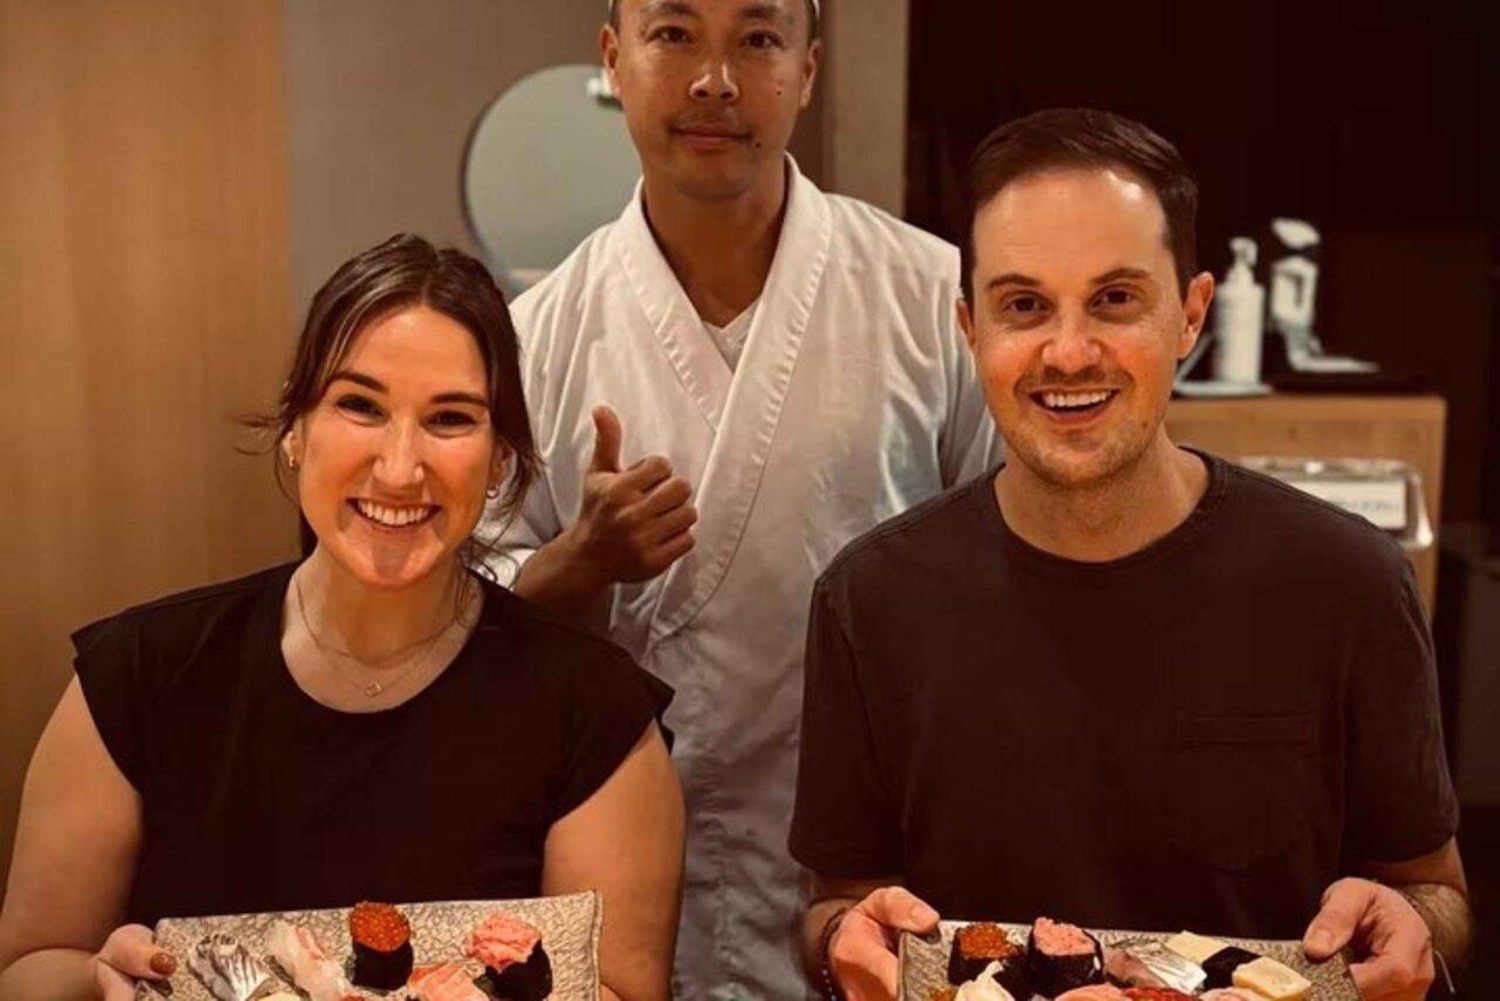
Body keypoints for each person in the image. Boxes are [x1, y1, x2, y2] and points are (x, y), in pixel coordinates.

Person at [789, 109, 1473, 1001]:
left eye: (1115, 299)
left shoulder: (1347, 583)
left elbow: (1437, 890)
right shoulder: (869, 601)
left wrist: (1416, 927)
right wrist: (842, 939)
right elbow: (837, 902)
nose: (1070, 352)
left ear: (1191, 313)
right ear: (969, 328)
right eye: (1024, 305)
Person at [0, 235, 685, 1001]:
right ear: (295, 426)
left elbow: (619, 989)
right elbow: (28, 965)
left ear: (500, 460)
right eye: (360, 405)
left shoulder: (594, 710)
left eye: (450, 418)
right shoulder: (137, 675)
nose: (399, 466)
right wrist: (94, 981)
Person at [479, 0, 1002, 995]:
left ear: (808, 69)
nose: (714, 80)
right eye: (674, 34)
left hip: (885, 871)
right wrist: (578, 563)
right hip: (635, 877)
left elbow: (1009, 569)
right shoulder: (537, 335)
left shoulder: (935, 300)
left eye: (758, 40)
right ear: (613, 60)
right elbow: (467, 628)